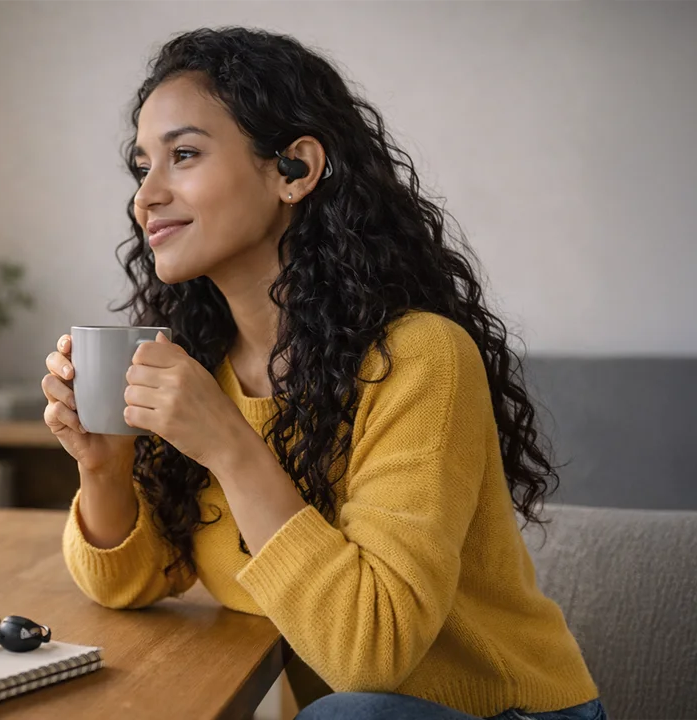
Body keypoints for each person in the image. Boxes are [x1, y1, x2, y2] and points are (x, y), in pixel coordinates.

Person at [41, 28, 606, 720]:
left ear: (294, 170)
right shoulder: (203, 367)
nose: (146, 197)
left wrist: (226, 444)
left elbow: (373, 656)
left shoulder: (419, 358)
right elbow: (132, 584)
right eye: (141, 167)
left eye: (183, 155)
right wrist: (104, 467)